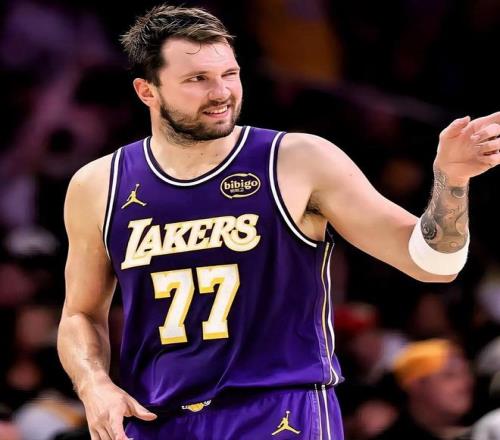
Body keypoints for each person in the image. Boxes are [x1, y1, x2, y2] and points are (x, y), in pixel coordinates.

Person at [56, 4, 500, 440]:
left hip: (281, 412)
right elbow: (80, 313)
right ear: (146, 91)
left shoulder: (298, 160)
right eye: (197, 79)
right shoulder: (99, 185)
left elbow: (433, 264)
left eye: (230, 74)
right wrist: (94, 385)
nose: (221, 92)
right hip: (158, 419)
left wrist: (451, 179)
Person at [374, 339, 474, 440]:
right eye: (449, 375)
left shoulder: (479, 426)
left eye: (466, 373)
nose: (465, 383)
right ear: (415, 385)